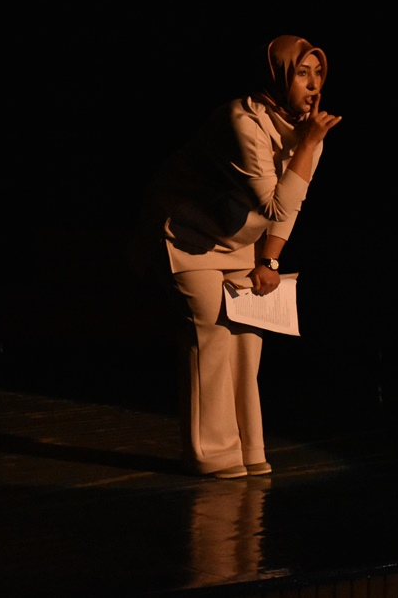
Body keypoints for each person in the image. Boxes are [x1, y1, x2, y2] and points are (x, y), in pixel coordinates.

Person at [138, 35, 342, 478]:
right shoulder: (241, 121)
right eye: (302, 73)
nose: (313, 85)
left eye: (318, 74)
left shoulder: (309, 133)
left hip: (239, 238)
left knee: (248, 340)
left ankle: (249, 449)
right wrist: (307, 145)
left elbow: (293, 207)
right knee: (210, 331)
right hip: (188, 232)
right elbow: (275, 205)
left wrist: (269, 262)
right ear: (278, 76)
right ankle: (209, 453)